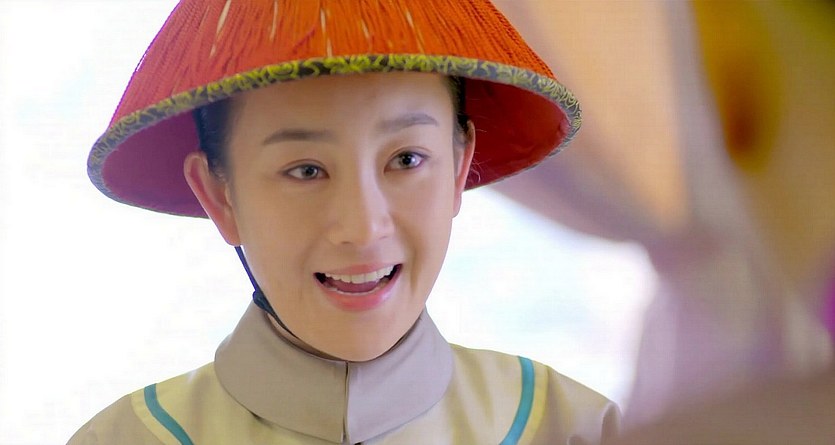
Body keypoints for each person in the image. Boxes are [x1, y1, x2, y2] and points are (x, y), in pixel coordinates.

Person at [69, 1, 619, 443]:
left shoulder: (574, 430)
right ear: (219, 196)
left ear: (458, 167)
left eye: (406, 159)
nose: (363, 228)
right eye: (306, 170)